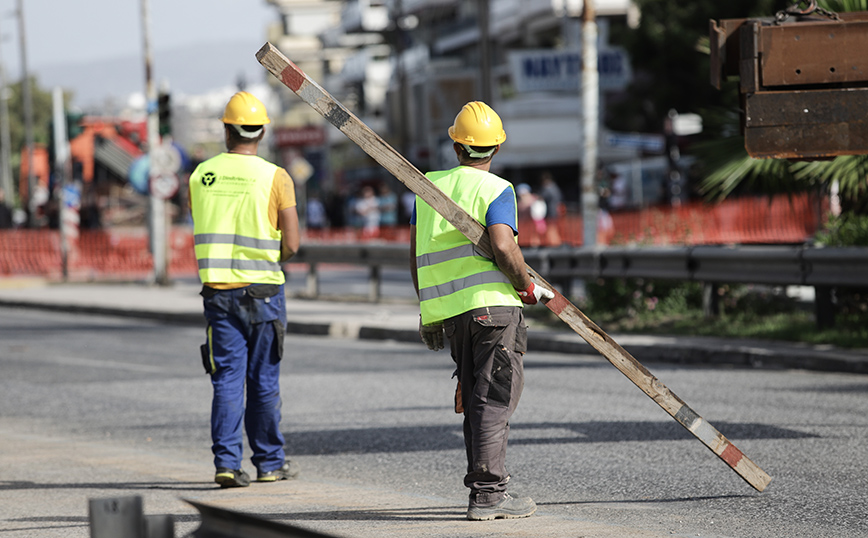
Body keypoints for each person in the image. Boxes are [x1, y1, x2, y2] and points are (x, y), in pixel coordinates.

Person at [409, 101, 554, 521]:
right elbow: (505, 246)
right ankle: (489, 495)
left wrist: (430, 311)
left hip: (455, 315)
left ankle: (484, 488)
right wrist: (526, 286)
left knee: (477, 397)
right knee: (493, 400)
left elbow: (415, 256)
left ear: (457, 146)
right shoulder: (496, 189)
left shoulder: (428, 189)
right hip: (494, 312)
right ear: (495, 149)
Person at [188, 91, 301, 488]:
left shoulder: (201, 175)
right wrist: (273, 259)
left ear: (226, 129)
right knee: (264, 381)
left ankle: (226, 464)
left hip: (219, 293)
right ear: (262, 130)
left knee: (227, 379)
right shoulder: (276, 176)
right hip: (264, 293)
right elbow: (293, 242)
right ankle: (270, 464)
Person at [539, 172, 563, 246]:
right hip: (556, 211)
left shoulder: (548, 188)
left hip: (551, 212)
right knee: (554, 228)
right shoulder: (556, 187)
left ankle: (554, 244)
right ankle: (555, 243)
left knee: (551, 229)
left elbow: (541, 197)